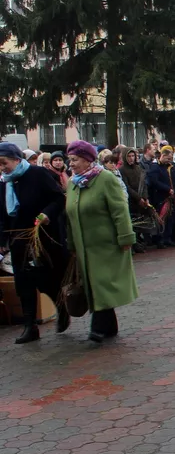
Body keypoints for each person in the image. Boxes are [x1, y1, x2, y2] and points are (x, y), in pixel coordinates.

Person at [64, 140, 138, 344]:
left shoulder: (105, 179)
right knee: (95, 285)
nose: (71, 164)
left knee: (101, 284)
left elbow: (120, 210)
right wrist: (71, 243)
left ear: (88, 160)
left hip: (107, 245)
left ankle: (96, 330)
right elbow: (69, 216)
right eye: (69, 159)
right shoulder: (73, 183)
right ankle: (109, 327)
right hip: (84, 246)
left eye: (75, 159)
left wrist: (125, 237)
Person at [0, 142, 69, 344]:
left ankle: (61, 306)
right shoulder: (5, 182)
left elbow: (58, 199)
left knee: (47, 279)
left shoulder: (38, 174)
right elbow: (2, 214)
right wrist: (2, 240)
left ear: (16, 159)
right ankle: (30, 327)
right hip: (18, 240)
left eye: (4, 163)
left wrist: (46, 214)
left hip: (43, 238)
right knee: (23, 282)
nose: (2, 167)